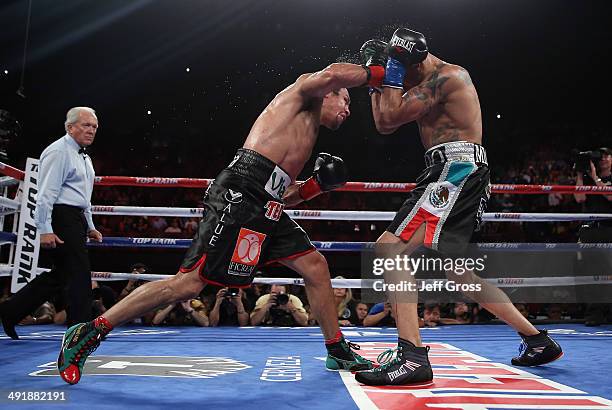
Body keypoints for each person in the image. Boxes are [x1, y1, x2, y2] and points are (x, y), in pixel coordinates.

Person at [57, 62, 382, 384]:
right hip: (239, 194)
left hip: (265, 205)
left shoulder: (307, 134)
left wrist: (314, 186)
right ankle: (89, 331)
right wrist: (379, 73)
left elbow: (282, 195)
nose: (348, 110)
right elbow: (333, 74)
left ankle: (336, 349)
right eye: (346, 101)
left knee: (315, 265)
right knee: (187, 284)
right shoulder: (302, 93)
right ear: (328, 93)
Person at [354, 28, 562, 386]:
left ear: (411, 62)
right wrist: (379, 78)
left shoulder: (448, 77)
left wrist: (388, 71)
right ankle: (537, 340)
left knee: (390, 248)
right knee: (460, 274)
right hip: (457, 169)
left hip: (456, 167)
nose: (400, 81)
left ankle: (411, 357)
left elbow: (388, 118)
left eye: (401, 71)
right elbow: (383, 121)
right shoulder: (422, 79)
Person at [0, 107, 103, 340]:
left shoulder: (83, 156)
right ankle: (81, 331)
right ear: (70, 127)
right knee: (78, 273)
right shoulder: (58, 151)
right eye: (86, 125)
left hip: (73, 217)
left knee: (61, 275)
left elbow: (82, 196)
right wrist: (44, 229)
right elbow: (45, 194)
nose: (91, 130)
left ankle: (9, 311)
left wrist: (90, 225)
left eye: (94, 126)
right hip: (60, 216)